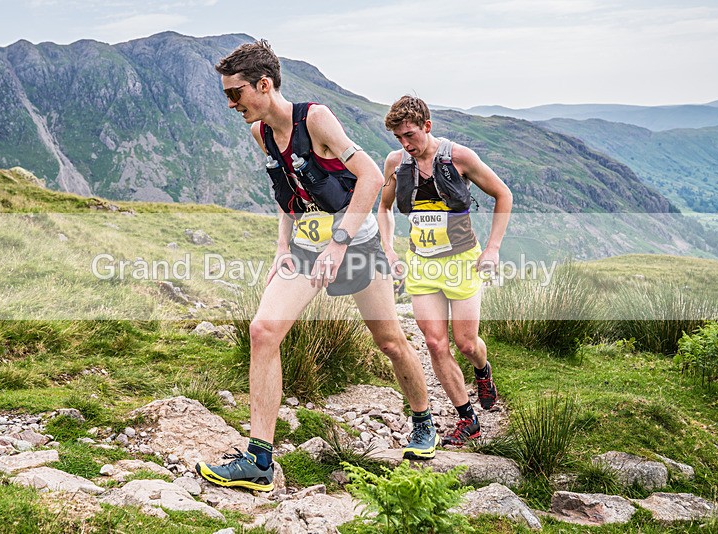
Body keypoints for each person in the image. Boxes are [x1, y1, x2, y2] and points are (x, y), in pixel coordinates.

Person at [195, 41, 438, 492]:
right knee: (263, 331)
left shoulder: (316, 119)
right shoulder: (261, 133)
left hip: (357, 243)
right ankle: (259, 462)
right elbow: (286, 192)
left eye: (236, 94)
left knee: (388, 340)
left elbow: (370, 177)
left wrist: (340, 244)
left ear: (263, 85)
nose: (231, 104)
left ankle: (424, 422)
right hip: (307, 250)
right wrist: (282, 247)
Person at [379, 96, 512, 447]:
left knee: (467, 344)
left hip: (461, 262)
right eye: (399, 138)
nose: (406, 144)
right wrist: (389, 248)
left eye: (410, 135)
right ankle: (468, 418)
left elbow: (503, 195)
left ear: (427, 126)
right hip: (421, 263)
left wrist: (493, 248)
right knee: (436, 344)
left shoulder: (459, 157)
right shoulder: (396, 162)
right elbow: (384, 207)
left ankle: (482, 371)